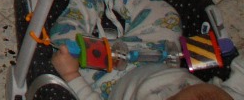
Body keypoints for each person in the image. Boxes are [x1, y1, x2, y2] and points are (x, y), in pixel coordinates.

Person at [53, 43, 244, 100]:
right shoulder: (233, 94)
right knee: (167, 16)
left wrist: (71, 75)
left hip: (110, 83)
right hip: (161, 55)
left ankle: (80, 3)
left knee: (65, 48)